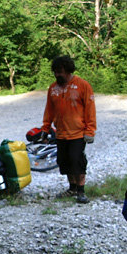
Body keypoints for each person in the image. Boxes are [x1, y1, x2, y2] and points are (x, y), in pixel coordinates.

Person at [41, 55, 96, 204]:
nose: (58, 75)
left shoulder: (82, 85)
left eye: (60, 71)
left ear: (68, 70)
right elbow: (49, 110)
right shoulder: (53, 89)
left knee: (77, 161)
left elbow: (90, 110)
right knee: (64, 162)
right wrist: (45, 129)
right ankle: (71, 188)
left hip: (77, 133)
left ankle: (81, 191)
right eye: (55, 72)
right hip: (61, 133)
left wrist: (90, 131)